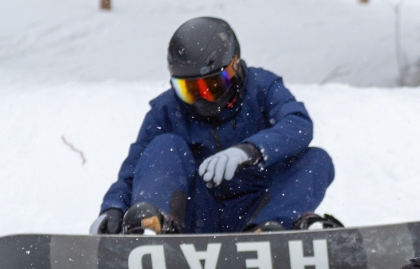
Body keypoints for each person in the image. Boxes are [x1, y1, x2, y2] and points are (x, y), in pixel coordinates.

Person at [89, 17, 337, 235]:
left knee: (316, 160)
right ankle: (155, 228)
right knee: (163, 145)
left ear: (235, 66)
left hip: (259, 209)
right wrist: (113, 207)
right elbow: (134, 171)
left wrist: (251, 150)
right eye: (190, 90)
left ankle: (268, 234)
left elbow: (298, 125)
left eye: (212, 87)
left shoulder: (263, 88)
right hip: (194, 215)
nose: (201, 99)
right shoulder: (166, 110)